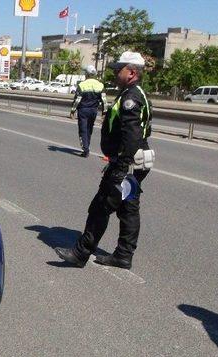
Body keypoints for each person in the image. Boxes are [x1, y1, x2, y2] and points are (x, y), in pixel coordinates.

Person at [55, 51, 153, 270]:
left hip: (126, 163)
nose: (116, 72)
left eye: (120, 69)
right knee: (128, 208)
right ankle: (123, 256)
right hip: (133, 162)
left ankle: (81, 253)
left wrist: (119, 167)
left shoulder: (131, 98)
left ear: (132, 72)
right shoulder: (133, 93)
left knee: (100, 207)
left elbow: (132, 136)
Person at [70, 65, 106, 157]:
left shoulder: (82, 85)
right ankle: (87, 146)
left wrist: (73, 111)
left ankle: (85, 149)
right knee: (89, 129)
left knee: (83, 130)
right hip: (94, 110)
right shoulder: (100, 85)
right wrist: (104, 112)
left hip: (83, 110)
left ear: (86, 74)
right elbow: (104, 100)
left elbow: (77, 99)